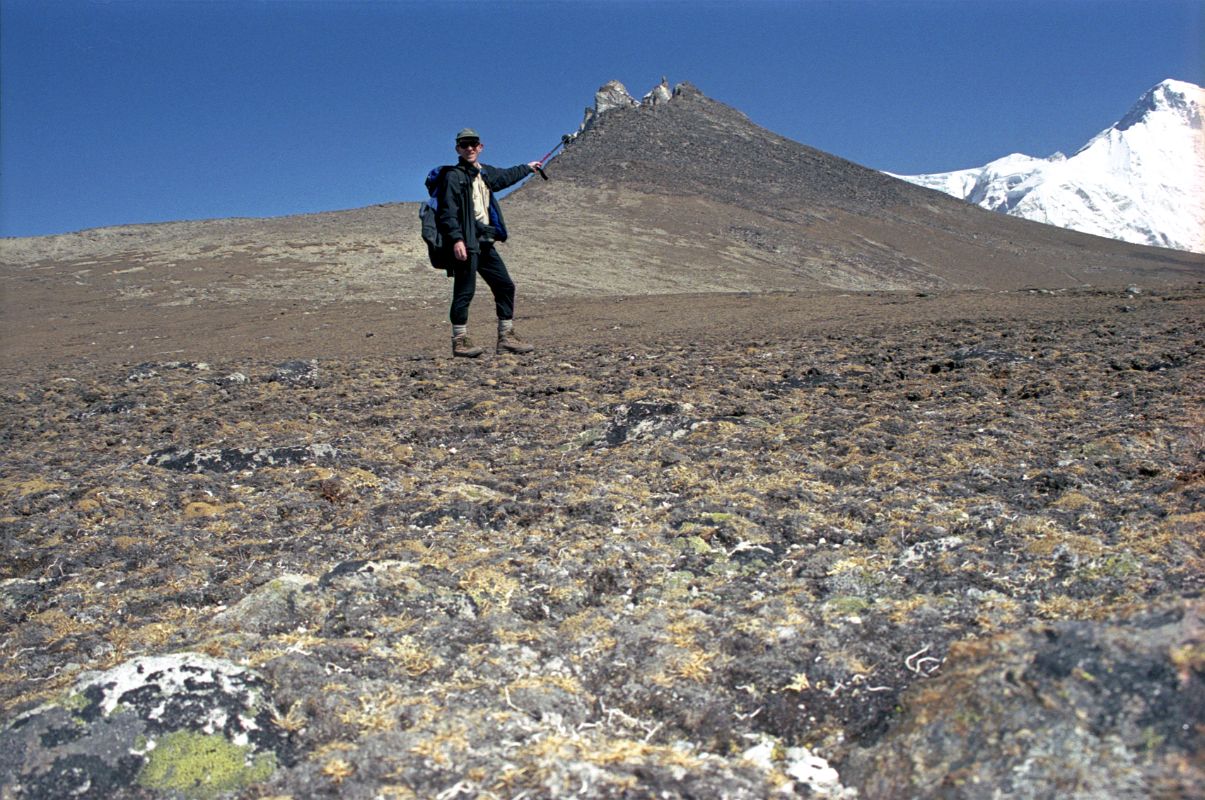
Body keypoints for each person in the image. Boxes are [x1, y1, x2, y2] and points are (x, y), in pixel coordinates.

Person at [435, 127, 542, 357]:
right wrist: (456, 239)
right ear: (458, 149)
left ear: (480, 147)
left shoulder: (485, 174)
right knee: (465, 290)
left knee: (505, 285)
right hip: (466, 240)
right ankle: (460, 341)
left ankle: (506, 337)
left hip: (485, 240)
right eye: (464, 145)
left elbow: (506, 176)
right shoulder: (453, 176)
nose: (470, 148)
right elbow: (447, 211)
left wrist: (528, 168)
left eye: (473, 144)